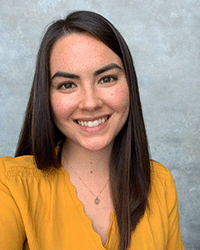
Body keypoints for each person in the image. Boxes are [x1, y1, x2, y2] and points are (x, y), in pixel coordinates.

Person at [0, 10, 184, 250]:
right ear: (46, 97)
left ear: (129, 84)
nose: (90, 103)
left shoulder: (160, 184)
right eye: (67, 84)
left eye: (106, 79)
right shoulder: (9, 184)